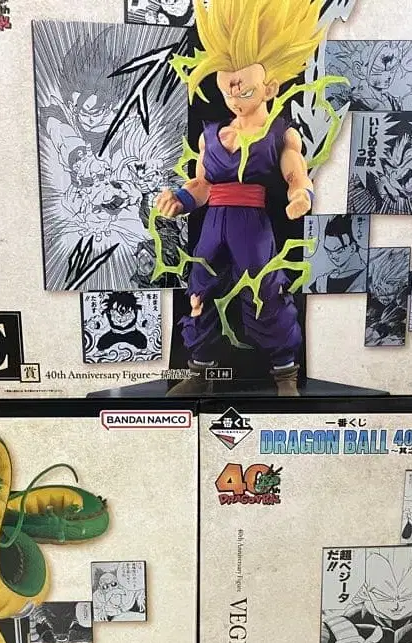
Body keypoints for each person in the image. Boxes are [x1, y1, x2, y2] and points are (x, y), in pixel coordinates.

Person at [157, 0, 325, 396]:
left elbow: (296, 172)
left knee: (265, 292)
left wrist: (300, 194)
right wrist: (180, 198)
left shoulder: (281, 133)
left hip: (252, 227)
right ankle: (199, 372)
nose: (234, 95)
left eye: (244, 87)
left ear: (270, 87)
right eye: (227, 85)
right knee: (199, 292)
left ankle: (285, 374)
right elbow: (202, 184)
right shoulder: (212, 134)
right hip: (213, 226)